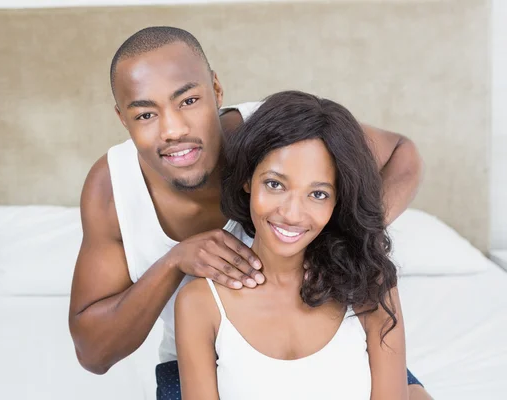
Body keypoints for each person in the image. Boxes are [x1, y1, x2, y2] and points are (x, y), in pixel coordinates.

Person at [68, 26, 431, 399]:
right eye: (145, 114)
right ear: (122, 119)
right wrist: (175, 262)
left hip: (323, 329)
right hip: (201, 353)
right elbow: (93, 353)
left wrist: (343, 233)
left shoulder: (277, 132)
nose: (174, 129)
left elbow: (402, 154)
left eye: (189, 101)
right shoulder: (113, 188)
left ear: (216, 90)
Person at [176, 90, 408, 399]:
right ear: (247, 179)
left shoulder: (371, 285)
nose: (291, 214)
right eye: (275, 184)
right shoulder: (199, 303)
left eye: (318, 194)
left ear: (338, 200)